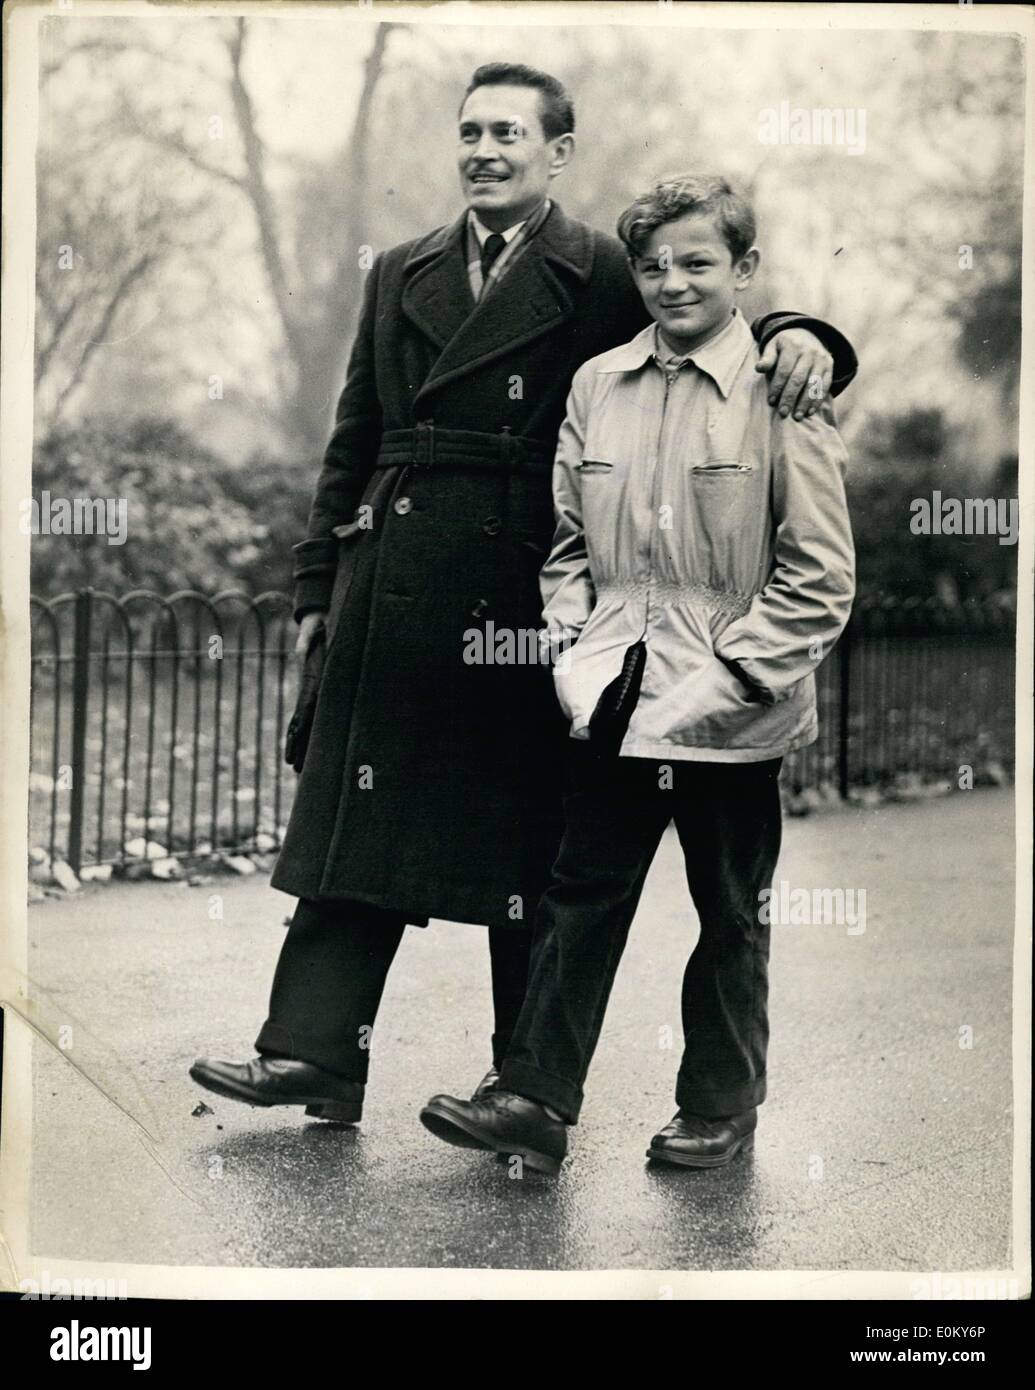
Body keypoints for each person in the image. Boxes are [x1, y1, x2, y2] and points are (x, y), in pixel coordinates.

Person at [190, 69, 857, 1126]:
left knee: (536, 836)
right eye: (470, 132)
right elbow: (354, 431)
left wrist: (803, 332)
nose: (485, 150)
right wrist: (321, 575)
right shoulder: (400, 269)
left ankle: (526, 1081)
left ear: (558, 152)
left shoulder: (596, 264)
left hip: (527, 587)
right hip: (407, 572)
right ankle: (316, 1052)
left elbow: (697, 303)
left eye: (509, 132)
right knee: (361, 812)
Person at [420, 173, 856, 1174]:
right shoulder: (596, 385)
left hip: (734, 710)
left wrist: (737, 677)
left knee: (730, 913)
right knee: (580, 897)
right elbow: (569, 546)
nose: (672, 282)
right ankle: (533, 1097)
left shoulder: (785, 394)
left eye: (698, 262)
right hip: (615, 699)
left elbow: (821, 575)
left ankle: (719, 1102)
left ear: (744, 270)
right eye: (654, 264)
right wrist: (575, 655)